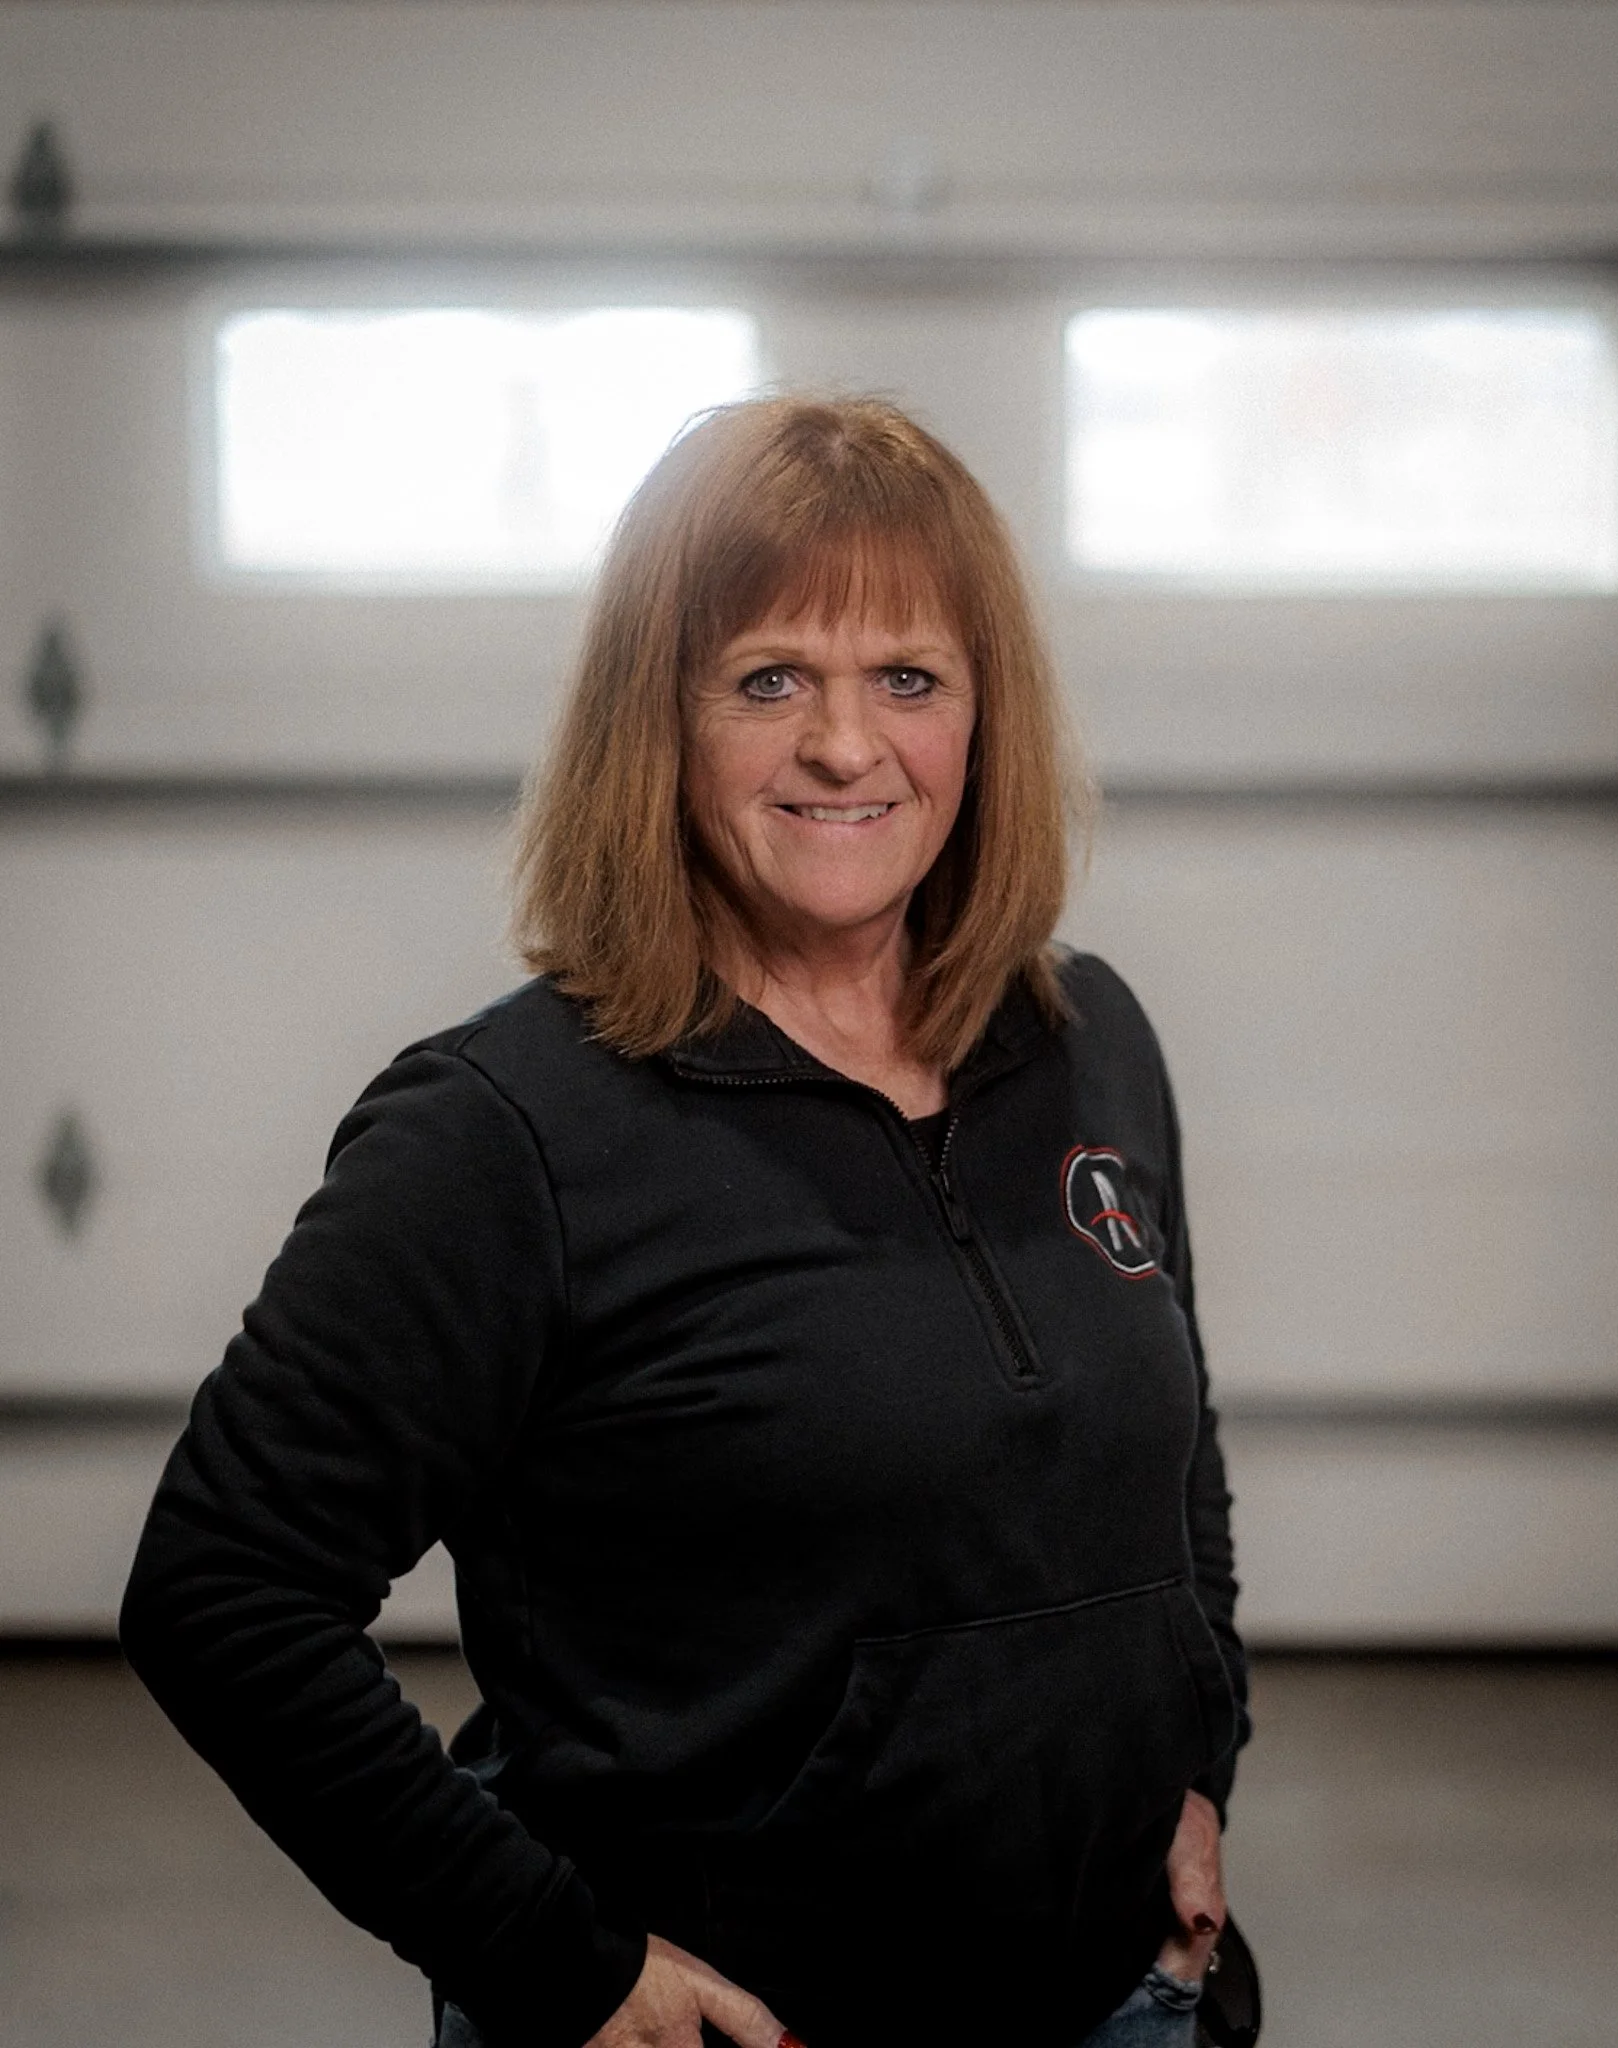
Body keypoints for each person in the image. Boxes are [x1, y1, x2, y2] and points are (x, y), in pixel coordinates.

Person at [121, 395, 1250, 2048]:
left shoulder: (1088, 1043)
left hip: (1121, 2006)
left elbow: (1173, 1464)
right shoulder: (505, 1134)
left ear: (983, 721)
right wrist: (550, 1961)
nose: (845, 745)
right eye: (770, 678)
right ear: (658, 720)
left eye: (908, 680)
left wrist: (1196, 1764)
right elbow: (223, 1592)